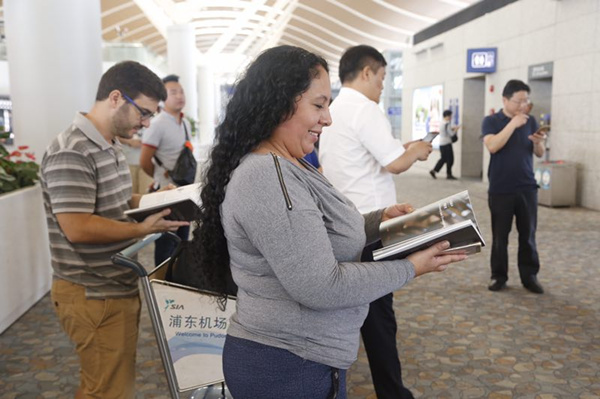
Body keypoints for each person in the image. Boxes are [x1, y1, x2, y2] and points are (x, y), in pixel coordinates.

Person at [190, 45, 464, 399]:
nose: (328, 119)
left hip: (302, 359)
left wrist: (378, 220)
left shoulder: (288, 162)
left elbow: (313, 230)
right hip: (287, 366)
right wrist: (411, 268)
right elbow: (322, 285)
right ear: (278, 103)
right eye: (318, 106)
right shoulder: (267, 177)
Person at [40, 61, 189, 398]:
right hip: (91, 290)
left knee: (109, 383)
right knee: (107, 389)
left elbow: (117, 201)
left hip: (112, 285)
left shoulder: (109, 143)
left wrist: (150, 200)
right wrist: (141, 230)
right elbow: (77, 227)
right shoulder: (72, 150)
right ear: (116, 97)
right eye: (145, 113)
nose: (146, 123)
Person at [318, 45, 432, 399]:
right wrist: (418, 150)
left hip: (343, 222)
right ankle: (392, 392)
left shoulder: (334, 109)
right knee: (379, 315)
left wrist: (405, 148)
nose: (384, 85)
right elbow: (396, 162)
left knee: (353, 308)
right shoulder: (365, 108)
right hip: (373, 226)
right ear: (366, 73)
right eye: (383, 77)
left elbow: (378, 155)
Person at [481, 79, 546, 294]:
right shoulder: (491, 121)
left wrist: (538, 142)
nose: (523, 105)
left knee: (528, 235)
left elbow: (539, 153)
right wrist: (513, 124)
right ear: (505, 100)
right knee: (500, 236)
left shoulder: (531, 120)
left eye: (526, 100)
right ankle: (498, 276)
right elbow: (492, 146)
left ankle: (530, 276)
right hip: (501, 188)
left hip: (527, 187)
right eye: (519, 101)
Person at [140, 74, 193, 265]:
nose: (179, 96)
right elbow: (145, 160)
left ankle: (177, 279)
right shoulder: (157, 124)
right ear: (164, 97)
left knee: (182, 243)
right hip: (166, 194)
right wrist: (158, 176)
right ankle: (161, 284)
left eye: (181, 91)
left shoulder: (185, 123)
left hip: (184, 191)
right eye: (173, 92)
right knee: (165, 244)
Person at [430, 109, 460, 180]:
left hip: (442, 144)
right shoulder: (447, 123)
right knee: (450, 160)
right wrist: (455, 130)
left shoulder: (442, 123)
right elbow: (451, 134)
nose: (451, 117)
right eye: (450, 116)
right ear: (447, 116)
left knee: (443, 159)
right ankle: (449, 174)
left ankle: (434, 170)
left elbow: (445, 131)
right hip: (447, 144)